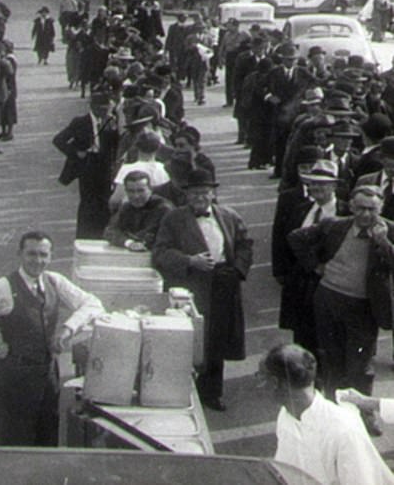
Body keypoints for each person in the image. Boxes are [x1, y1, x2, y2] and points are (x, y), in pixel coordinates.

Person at [0, 231, 103, 446]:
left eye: (43, 255)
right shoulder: (3, 287)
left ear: (50, 257)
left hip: (48, 375)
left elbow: (93, 304)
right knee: (16, 442)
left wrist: (68, 328)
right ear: (19, 254)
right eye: (31, 254)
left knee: (47, 439)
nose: (38, 261)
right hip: (14, 378)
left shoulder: (54, 281)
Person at [152, 168, 253, 411]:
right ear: (186, 195)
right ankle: (180, 391)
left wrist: (238, 269)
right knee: (191, 338)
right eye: (195, 193)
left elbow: (244, 244)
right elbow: (160, 253)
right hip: (191, 286)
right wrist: (189, 261)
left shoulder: (229, 216)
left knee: (217, 340)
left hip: (223, 284)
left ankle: (212, 393)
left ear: (213, 194)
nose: (200, 198)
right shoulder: (173, 219)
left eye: (205, 193)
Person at [287, 184, 394, 401]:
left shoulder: (390, 230)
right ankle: (334, 409)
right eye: (361, 208)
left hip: (364, 307)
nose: (366, 214)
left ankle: (363, 413)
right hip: (329, 299)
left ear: (380, 209)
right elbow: (295, 238)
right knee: (331, 360)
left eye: (372, 209)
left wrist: (383, 242)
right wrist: (315, 266)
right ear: (352, 207)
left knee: (361, 365)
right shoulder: (334, 226)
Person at [260, 344, 394, 485]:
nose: (258, 385)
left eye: (260, 377)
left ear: (275, 383)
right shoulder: (286, 414)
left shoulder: (343, 430)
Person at [271, 160, 339, 356]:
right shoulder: (301, 209)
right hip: (301, 285)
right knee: (303, 339)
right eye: (313, 183)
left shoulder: (344, 212)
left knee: (329, 343)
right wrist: (282, 273)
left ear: (334, 186)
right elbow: (282, 240)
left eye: (323, 184)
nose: (316, 187)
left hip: (331, 285)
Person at [52, 91, 119, 238]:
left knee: (105, 200)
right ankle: (85, 234)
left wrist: (114, 129)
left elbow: (116, 145)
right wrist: (75, 152)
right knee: (88, 201)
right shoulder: (80, 122)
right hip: (87, 164)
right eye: (102, 108)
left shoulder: (111, 121)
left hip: (104, 165)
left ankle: (102, 232)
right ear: (93, 107)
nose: (105, 111)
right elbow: (58, 140)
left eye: (107, 108)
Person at [103, 170, 173, 251]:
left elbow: (151, 236)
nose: (136, 196)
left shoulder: (164, 209)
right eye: (131, 191)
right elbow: (110, 232)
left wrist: (127, 237)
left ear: (150, 190)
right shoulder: (126, 207)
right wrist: (129, 243)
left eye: (141, 190)